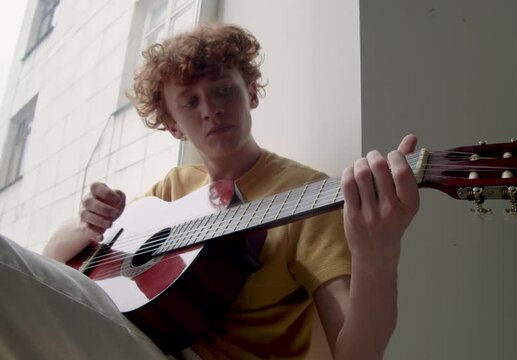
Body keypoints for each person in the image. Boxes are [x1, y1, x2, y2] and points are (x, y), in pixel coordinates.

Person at [8, 24, 420, 359]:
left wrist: (377, 254)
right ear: (173, 126)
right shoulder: (172, 189)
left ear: (251, 94)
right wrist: (88, 224)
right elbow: (54, 264)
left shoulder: (306, 193)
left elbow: (358, 354)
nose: (210, 109)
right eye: (189, 102)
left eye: (223, 89)